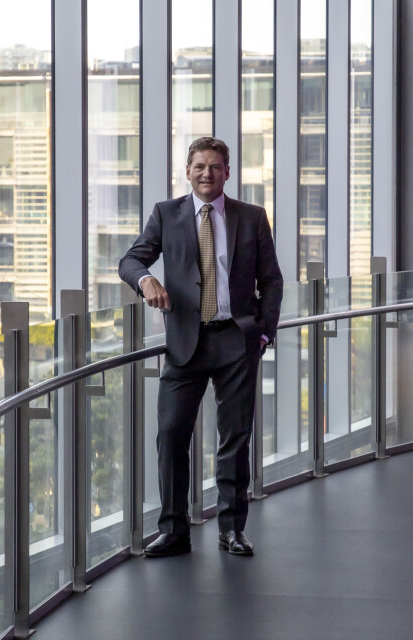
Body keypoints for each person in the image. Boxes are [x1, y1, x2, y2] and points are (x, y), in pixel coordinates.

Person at [119, 137, 283, 556]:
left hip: (236, 340)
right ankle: (174, 530)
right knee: (171, 434)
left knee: (235, 439)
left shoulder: (251, 217)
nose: (206, 173)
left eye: (214, 167)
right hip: (184, 342)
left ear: (227, 172)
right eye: (199, 167)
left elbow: (272, 280)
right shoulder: (166, 214)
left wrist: (264, 333)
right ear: (187, 172)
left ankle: (232, 529)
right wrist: (146, 280)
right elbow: (130, 261)